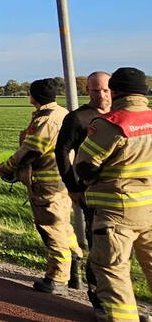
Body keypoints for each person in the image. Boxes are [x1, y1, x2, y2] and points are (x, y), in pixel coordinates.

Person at [74, 67, 152, 322]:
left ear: (115, 91)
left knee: (114, 277)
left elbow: (84, 166)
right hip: (149, 209)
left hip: (116, 213)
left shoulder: (111, 124)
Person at [0, 78, 82, 293]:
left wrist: (7, 168)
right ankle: (75, 264)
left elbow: (31, 150)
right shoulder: (63, 113)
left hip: (46, 183)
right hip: (61, 180)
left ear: (32, 97)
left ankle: (57, 278)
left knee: (51, 228)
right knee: (63, 224)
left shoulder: (45, 120)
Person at [55, 71, 112, 307]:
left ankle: (120, 299)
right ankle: (98, 298)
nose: (102, 95)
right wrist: (72, 187)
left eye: (106, 90)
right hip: (93, 195)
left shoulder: (122, 116)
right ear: (87, 91)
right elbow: (61, 151)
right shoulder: (78, 119)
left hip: (126, 196)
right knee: (99, 246)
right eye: (96, 90)